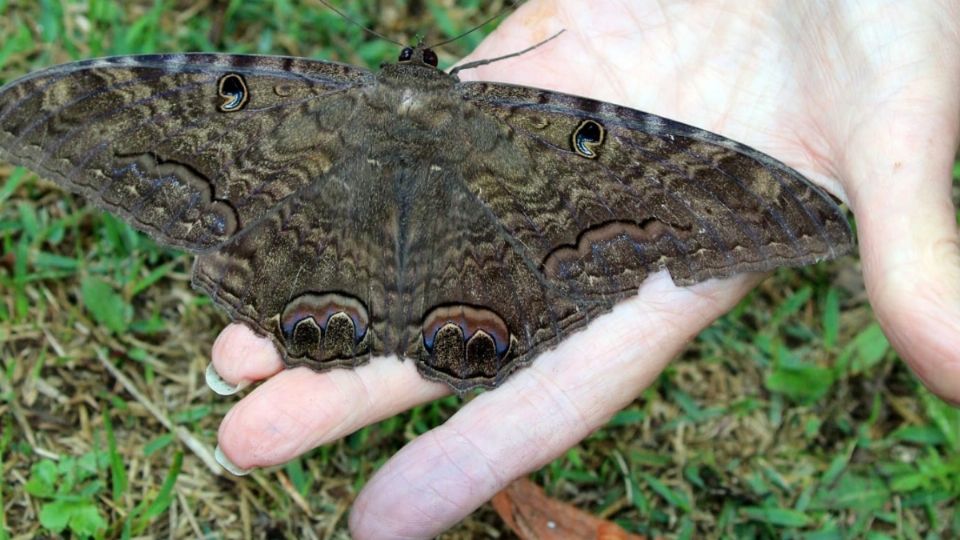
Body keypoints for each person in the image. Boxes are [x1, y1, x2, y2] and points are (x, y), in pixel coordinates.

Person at [206, 1, 960, 537]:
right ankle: (434, 325)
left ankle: (325, 309)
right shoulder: (533, 126)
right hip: (481, 273)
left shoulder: (303, 99)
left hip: (336, 243)